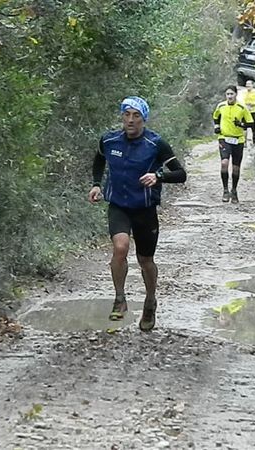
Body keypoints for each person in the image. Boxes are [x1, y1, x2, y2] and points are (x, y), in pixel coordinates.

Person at [88, 96, 187, 331]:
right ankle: (120, 298)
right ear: (122, 117)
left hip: (144, 209)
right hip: (118, 206)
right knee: (120, 248)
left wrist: (159, 176)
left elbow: (181, 174)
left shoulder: (156, 144)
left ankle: (150, 301)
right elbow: (99, 160)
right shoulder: (109, 140)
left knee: (145, 261)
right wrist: (95, 184)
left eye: (136, 116)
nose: (130, 120)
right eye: (126, 115)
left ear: (144, 119)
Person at [212, 85, 254, 203]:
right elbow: (216, 116)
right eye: (227, 94)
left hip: (238, 140)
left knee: (236, 168)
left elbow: (250, 123)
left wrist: (240, 124)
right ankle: (225, 190)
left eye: (232, 94)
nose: (229, 96)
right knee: (224, 163)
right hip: (224, 138)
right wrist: (217, 126)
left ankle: (234, 190)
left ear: (236, 94)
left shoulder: (242, 107)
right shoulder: (221, 106)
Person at [241, 80, 255, 145]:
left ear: (252, 85)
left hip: (253, 111)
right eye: (246, 84)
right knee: (244, 127)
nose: (247, 86)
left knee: (253, 127)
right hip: (245, 112)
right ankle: (244, 142)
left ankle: (254, 140)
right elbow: (241, 101)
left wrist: (253, 104)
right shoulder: (243, 92)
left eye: (249, 84)